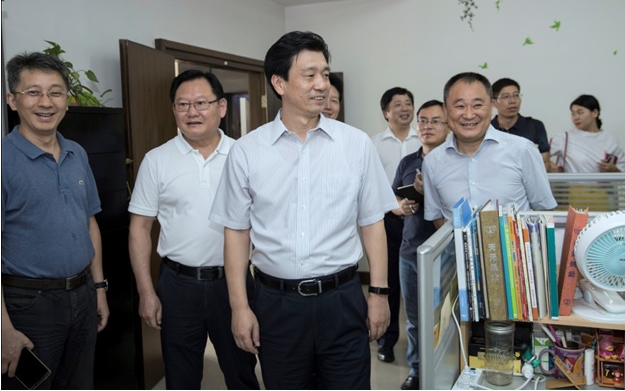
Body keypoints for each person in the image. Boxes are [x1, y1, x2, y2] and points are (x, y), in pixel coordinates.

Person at [210, 31, 397, 389]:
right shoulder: (247, 152)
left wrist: (378, 293)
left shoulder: (355, 144)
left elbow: (372, 222)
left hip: (342, 300)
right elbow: (236, 233)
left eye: (324, 74)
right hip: (277, 305)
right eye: (309, 75)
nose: (321, 84)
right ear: (279, 83)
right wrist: (240, 307)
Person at [127, 69, 259, 390]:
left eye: (201, 103)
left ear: (222, 107)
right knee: (181, 377)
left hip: (234, 283)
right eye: (183, 104)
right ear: (173, 109)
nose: (192, 112)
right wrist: (146, 292)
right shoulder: (156, 160)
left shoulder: (246, 156)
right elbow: (139, 229)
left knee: (242, 371)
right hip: (178, 285)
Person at [2, 52, 109, 389]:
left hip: (82, 294)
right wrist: (3, 329)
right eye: (33, 92)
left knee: (79, 383)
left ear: (67, 100)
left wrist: (99, 289)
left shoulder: (77, 152)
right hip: (27, 304)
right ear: (12, 100)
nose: (46, 102)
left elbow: (89, 223)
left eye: (55, 92)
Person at [423, 72, 557, 228]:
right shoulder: (432, 162)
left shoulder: (522, 150)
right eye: (460, 106)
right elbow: (437, 216)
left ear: (492, 106)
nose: (469, 115)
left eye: (477, 105)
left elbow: (544, 210)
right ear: (446, 110)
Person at [392, 100, 449, 390]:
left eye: (435, 120)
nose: (427, 126)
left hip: (445, 254)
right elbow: (392, 198)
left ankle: (443, 369)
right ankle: (416, 369)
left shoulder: (454, 161)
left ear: (449, 126)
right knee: (414, 319)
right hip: (410, 252)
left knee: (443, 317)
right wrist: (401, 206)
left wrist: (432, 193)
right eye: (423, 120)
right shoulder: (407, 162)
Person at [370, 87, 421, 363]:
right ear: (386, 112)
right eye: (398, 104)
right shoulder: (373, 144)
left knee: (419, 284)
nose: (404, 108)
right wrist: (395, 206)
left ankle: (423, 344)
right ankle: (386, 340)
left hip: (420, 221)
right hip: (388, 221)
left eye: (408, 103)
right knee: (388, 282)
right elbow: (371, 187)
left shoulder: (423, 139)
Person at [549, 94, 625, 173]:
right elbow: (542, 158)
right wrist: (552, 168)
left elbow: (623, 175)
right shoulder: (564, 138)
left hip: (602, 182)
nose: (576, 118)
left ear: (595, 113)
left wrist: (613, 170)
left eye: (580, 112)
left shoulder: (611, 141)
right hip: (573, 181)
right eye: (573, 114)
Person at [490, 77, 552, 171]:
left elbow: (545, 163)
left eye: (516, 95)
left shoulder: (535, 126)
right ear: (494, 103)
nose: (513, 101)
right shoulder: (488, 128)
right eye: (506, 97)